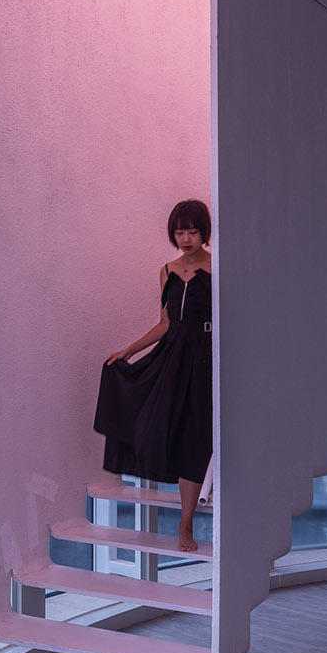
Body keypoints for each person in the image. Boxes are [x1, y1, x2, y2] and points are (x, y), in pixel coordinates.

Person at [93, 198, 212, 554]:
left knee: (196, 440)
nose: (186, 237)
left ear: (204, 232)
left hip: (207, 359)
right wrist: (129, 351)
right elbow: (165, 323)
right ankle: (181, 514)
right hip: (172, 359)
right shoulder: (167, 270)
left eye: (192, 230)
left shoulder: (220, 266)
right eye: (180, 231)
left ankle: (186, 523)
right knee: (157, 427)